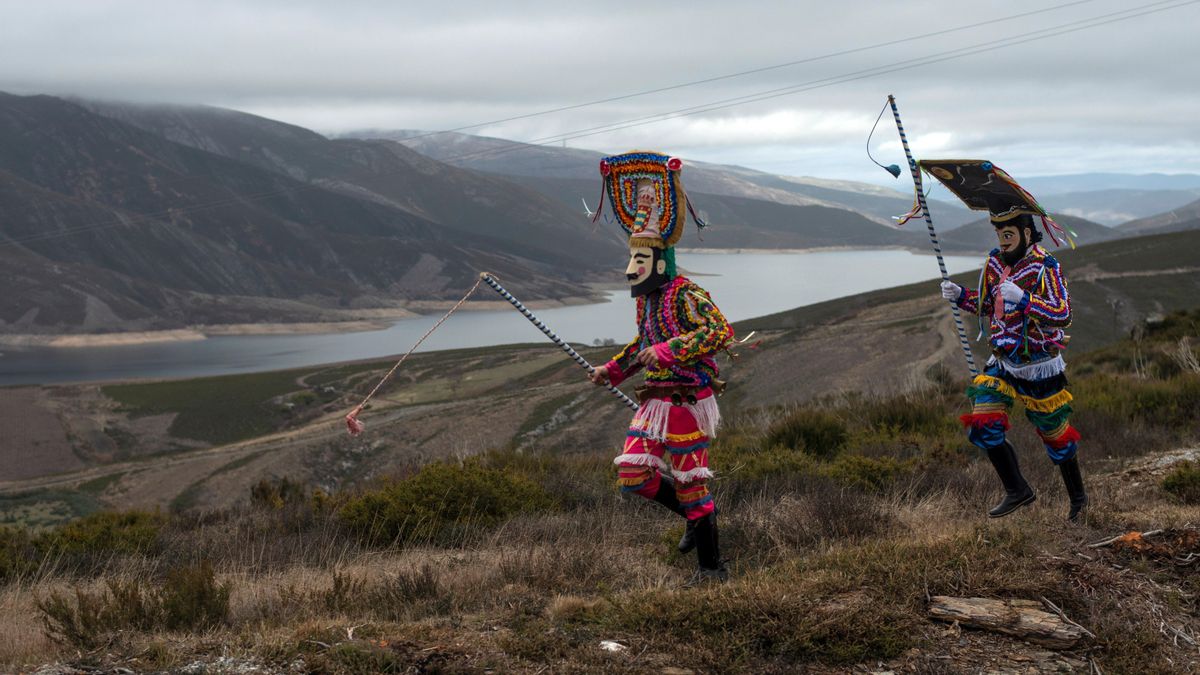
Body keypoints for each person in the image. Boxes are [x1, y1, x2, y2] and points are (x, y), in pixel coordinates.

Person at [587, 151, 734, 582]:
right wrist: (611, 370)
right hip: (654, 403)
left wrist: (669, 351)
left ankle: (712, 568)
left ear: (658, 262)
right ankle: (693, 516)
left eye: (638, 261)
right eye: (632, 261)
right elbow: (643, 344)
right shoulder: (648, 303)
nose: (630, 269)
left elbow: (720, 331)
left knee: (692, 483)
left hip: (688, 401)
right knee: (634, 475)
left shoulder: (687, 294)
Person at [923, 159, 1087, 522]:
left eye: (1009, 235)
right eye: (1000, 236)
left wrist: (1025, 300)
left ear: (1027, 234)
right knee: (984, 420)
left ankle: (1078, 499)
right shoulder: (995, 263)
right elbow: (985, 305)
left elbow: (1063, 314)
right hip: (1002, 360)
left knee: (1055, 436)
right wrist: (959, 294)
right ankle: (1018, 490)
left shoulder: (1047, 267)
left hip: (1039, 364)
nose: (1003, 241)